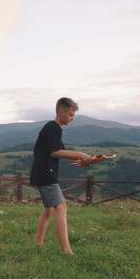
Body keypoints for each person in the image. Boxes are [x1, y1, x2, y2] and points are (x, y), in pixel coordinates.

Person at [29, 97, 92, 255]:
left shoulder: (54, 129)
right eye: (71, 114)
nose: (72, 118)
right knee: (61, 206)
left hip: (42, 173)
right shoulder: (53, 128)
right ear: (61, 111)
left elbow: (61, 152)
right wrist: (79, 154)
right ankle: (67, 251)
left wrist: (83, 159)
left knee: (49, 210)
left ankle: (38, 244)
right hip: (45, 174)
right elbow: (55, 152)